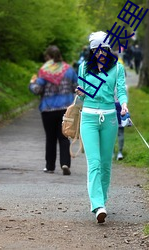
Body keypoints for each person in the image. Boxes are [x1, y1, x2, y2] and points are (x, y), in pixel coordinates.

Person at [75, 31, 128, 223]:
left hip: (110, 119)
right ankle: (97, 205)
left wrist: (123, 104)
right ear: (92, 51)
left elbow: (121, 90)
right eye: (96, 50)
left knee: (106, 164)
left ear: (108, 49)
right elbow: (81, 97)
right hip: (88, 117)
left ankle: (102, 201)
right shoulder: (84, 68)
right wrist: (80, 92)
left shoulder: (117, 68)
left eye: (103, 49)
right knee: (94, 163)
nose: (100, 53)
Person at [29, 45, 78, 175]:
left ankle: (50, 166)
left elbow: (37, 90)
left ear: (48, 57)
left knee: (50, 138)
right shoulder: (69, 69)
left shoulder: (44, 71)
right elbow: (76, 87)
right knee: (64, 137)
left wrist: (32, 83)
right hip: (65, 109)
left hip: (48, 109)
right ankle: (65, 163)